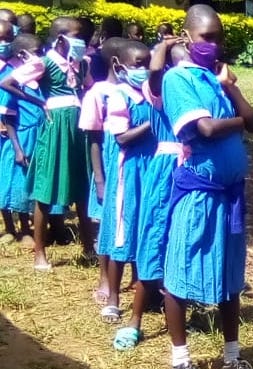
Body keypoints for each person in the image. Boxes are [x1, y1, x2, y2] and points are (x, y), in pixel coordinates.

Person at [161, 4, 253, 369]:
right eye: (207, 36)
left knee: (230, 276)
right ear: (187, 38)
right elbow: (205, 128)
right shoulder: (178, 79)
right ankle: (181, 358)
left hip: (230, 195)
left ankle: (233, 355)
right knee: (180, 273)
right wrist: (237, 122)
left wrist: (231, 87)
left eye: (219, 36)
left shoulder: (215, 79)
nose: (214, 43)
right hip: (198, 194)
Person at [0, 16, 94, 270]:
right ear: (62, 39)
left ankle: (88, 247)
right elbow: (7, 82)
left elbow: (88, 90)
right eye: (77, 36)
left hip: (78, 127)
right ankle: (40, 253)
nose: (81, 42)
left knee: (82, 187)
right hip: (55, 128)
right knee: (46, 188)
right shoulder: (44, 63)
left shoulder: (81, 64)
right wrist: (41, 103)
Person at [113, 37, 187, 350]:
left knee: (180, 241)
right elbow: (156, 71)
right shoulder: (160, 92)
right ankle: (135, 321)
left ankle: (180, 307)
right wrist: (165, 45)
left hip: (190, 172)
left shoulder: (193, 91)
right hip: (165, 170)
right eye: (181, 63)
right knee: (153, 242)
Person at [99, 40, 156, 323]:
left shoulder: (150, 94)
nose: (143, 69)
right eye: (137, 65)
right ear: (119, 67)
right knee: (123, 229)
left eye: (147, 63)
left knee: (146, 226)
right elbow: (121, 137)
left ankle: (146, 289)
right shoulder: (120, 95)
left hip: (151, 169)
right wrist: (151, 125)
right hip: (129, 170)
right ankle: (113, 297)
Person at [78, 37, 125, 306]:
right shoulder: (97, 92)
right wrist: (98, 177)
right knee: (107, 225)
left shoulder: (139, 90)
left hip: (131, 162)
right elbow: (94, 139)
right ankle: (104, 279)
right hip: (108, 158)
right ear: (118, 63)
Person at [0, 32, 45, 249]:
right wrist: (17, 148)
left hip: (38, 139)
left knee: (28, 187)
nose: (42, 56)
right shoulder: (15, 83)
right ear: (24, 56)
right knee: (13, 185)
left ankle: (27, 228)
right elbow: (8, 118)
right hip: (19, 140)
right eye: (38, 53)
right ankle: (12, 229)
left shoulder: (41, 81)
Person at [0, 19, 18, 243]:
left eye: (7, 39)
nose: (3, 44)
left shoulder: (17, 69)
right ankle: (9, 226)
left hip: (13, 132)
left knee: (11, 177)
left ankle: (21, 225)